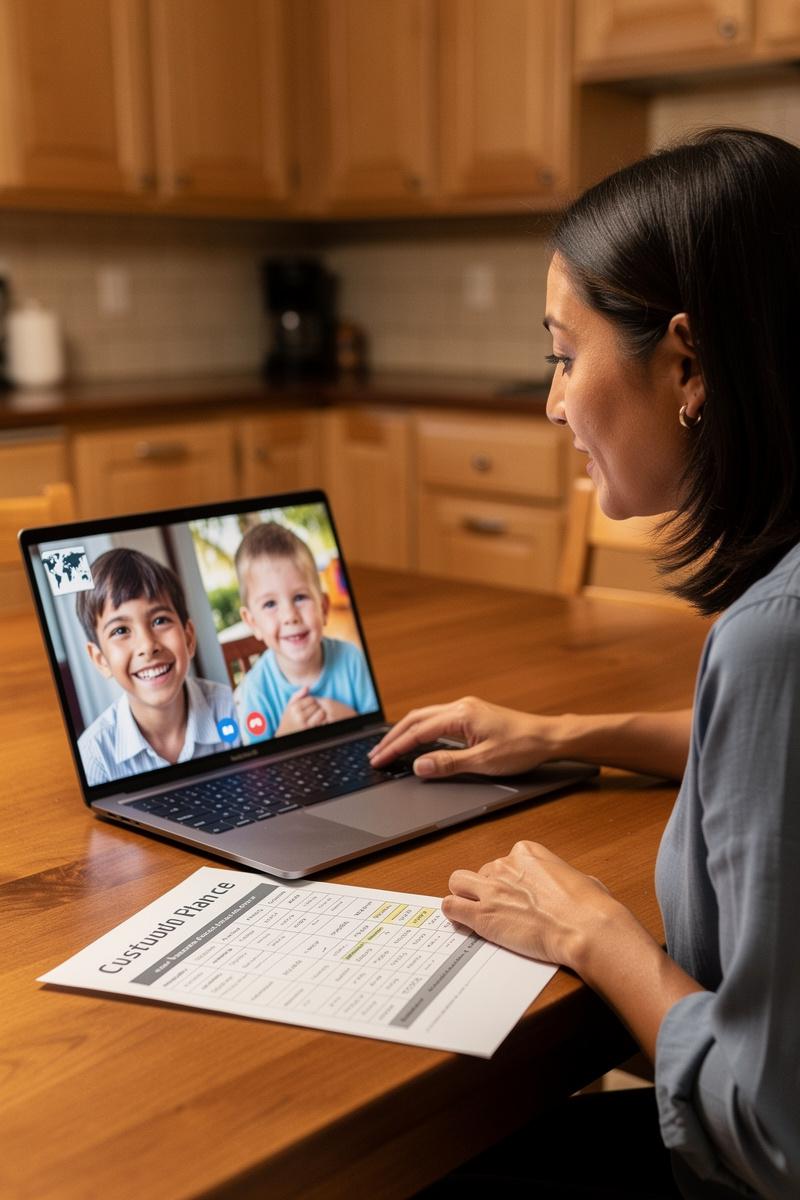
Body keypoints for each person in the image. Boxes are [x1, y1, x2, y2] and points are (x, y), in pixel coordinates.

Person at [370, 127, 800, 1200]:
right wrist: (563, 735)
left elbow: (768, 1129)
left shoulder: (772, 641)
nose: (553, 401)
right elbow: (768, 772)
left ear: (687, 364)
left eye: (564, 354)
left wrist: (593, 934)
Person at [76, 547, 239, 785]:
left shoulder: (230, 709)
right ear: (101, 659)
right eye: (120, 630)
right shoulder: (95, 756)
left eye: (160, 620)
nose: (147, 646)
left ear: (189, 638)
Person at [235, 521, 378, 740]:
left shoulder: (352, 659)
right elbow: (261, 771)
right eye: (270, 604)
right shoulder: (255, 691)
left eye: (300, 597)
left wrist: (351, 719)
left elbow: (379, 734)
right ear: (253, 622)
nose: (290, 616)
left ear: (324, 607)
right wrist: (285, 734)